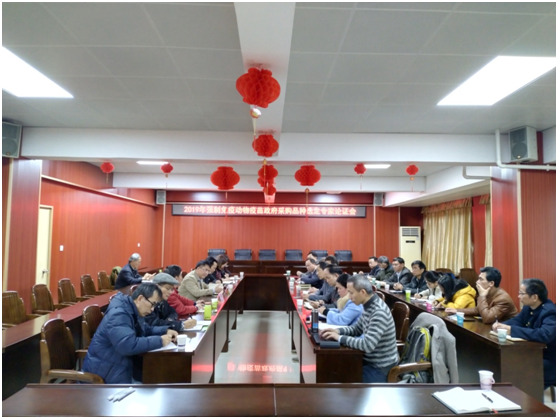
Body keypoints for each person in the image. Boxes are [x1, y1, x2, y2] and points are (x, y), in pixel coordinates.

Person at [82, 283, 177, 384]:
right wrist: (160, 341)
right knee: (156, 385)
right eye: (152, 304)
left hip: (121, 368)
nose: (152, 309)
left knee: (159, 379)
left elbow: (145, 329)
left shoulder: (132, 310)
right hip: (106, 376)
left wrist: (165, 330)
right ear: (140, 298)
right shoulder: (118, 315)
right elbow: (127, 345)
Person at [321, 275, 399, 383]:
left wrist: (339, 338)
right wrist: (337, 331)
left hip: (380, 367)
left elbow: (367, 345)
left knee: (340, 379)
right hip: (367, 360)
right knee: (334, 369)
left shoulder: (378, 312)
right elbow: (356, 329)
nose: (349, 297)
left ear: (362, 292)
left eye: (351, 293)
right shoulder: (368, 305)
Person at [493, 278, 555, 389]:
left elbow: (544, 334)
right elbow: (517, 321)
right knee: (505, 362)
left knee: (517, 369)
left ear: (534, 297)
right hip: (531, 354)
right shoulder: (528, 307)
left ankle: (528, 398)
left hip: (548, 360)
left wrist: (511, 330)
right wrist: (501, 325)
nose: (518, 296)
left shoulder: (550, 312)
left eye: (522, 294)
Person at [446, 267, 518, 323]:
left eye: (481, 279)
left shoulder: (503, 299)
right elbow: (478, 310)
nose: (477, 282)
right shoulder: (488, 292)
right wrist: (457, 310)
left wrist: (482, 296)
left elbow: (487, 318)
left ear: (491, 283)